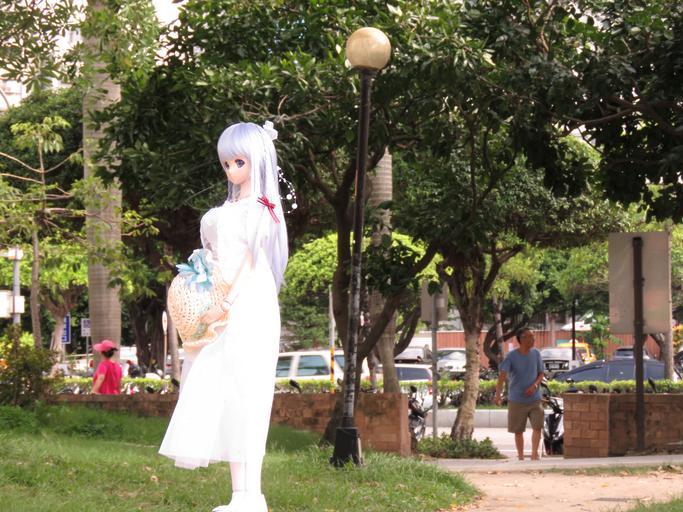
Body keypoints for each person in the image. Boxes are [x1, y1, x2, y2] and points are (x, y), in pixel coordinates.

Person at [159, 121, 288, 512]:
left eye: (239, 162)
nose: (231, 169)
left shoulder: (263, 206)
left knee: (249, 394)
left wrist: (226, 301)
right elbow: (216, 256)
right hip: (221, 301)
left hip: (248, 303)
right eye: (227, 163)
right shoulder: (229, 208)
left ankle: (251, 495)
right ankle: (240, 495)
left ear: (257, 160)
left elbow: (251, 258)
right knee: (227, 393)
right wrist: (202, 284)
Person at [494, 328, 545, 460]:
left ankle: (534, 455)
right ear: (521, 339)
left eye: (533, 336)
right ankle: (521, 457)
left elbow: (541, 373)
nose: (533, 339)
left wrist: (534, 386)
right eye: (529, 337)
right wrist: (498, 395)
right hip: (516, 399)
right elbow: (502, 376)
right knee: (518, 430)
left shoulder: (536, 354)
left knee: (538, 427)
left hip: (535, 399)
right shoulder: (511, 356)